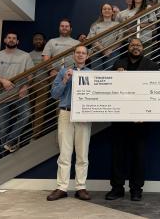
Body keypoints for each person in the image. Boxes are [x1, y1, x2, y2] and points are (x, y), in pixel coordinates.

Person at [105, 38, 158, 201]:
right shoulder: (118, 64)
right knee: (117, 155)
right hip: (120, 120)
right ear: (128, 48)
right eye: (132, 45)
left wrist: (148, 114)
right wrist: (116, 76)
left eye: (139, 45)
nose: (136, 47)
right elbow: (110, 89)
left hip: (141, 121)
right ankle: (117, 188)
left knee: (139, 156)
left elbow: (155, 92)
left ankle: (136, 189)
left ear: (143, 48)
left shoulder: (152, 66)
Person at [46, 45, 92, 201]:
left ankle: (81, 187)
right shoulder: (62, 72)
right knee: (65, 153)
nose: (80, 55)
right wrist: (65, 79)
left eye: (83, 53)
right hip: (66, 113)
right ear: (73, 55)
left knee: (82, 154)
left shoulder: (92, 75)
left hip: (84, 117)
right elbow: (54, 94)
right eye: (77, 53)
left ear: (87, 56)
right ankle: (62, 187)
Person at [0, 31, 34, 153]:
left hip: (20, 93)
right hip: (2, 95)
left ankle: (9, 142)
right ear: (5, 40)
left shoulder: (25, 56)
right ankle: (5, 153)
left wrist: (26, 86)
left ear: (17, 42)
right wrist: (3, 81)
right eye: (9, 38)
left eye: (14, 38)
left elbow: (30, 74)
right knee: (3, 127)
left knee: (26, 116)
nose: (11, 40)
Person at [87, 3, 121, 70]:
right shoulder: (95, 25)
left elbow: (120, 39)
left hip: (112, 52)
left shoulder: (118, 24)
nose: (107, 10)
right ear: (101, 12)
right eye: (104, 9)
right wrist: (103, 50)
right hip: (96, 52)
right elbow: (93, 40)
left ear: (112, 12)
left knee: (109, 72)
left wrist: (110, 49)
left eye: (109, 9)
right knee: (97, 73)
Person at [29, 33, 48, 140]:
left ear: (44, 41)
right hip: (30, 85)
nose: (38, 41)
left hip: (43, 84)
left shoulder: (47, 54)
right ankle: (34, 132)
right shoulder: (29, 55)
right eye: (36, 39)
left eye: (40, 39)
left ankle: (36, 135)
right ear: (33, 41)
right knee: (31, 111)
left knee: (39, 110)